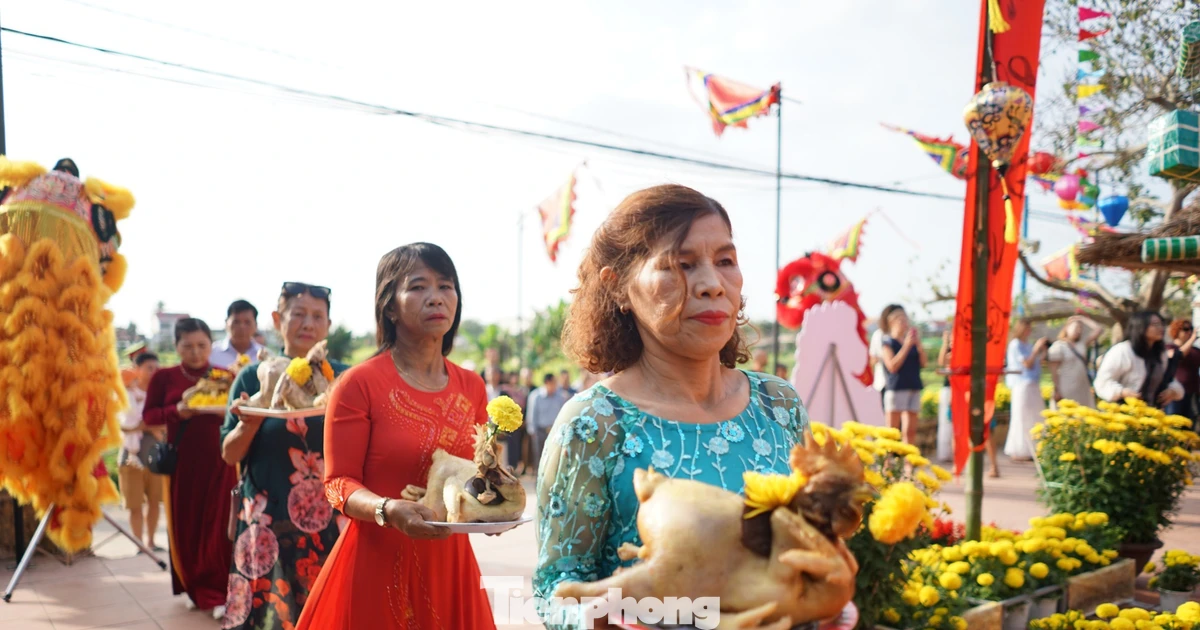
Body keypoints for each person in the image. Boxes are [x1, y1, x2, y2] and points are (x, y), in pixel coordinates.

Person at [534, 185, 854, 629]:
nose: (710, 284)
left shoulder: (778, 404)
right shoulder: (594, 423)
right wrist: (599, 620)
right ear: (618, 287)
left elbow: (806, 544)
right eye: (681, 265)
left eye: (725, 261)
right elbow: (556, 587)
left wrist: (831, 596)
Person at [295, 243, 496, 630]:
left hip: (450, 564)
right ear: (390, 305)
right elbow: (337, 484)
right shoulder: (358, 384)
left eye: (446, 285)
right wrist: (388, 510)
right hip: (377, 559)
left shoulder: (472, 386)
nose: (436, 297)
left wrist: (493, 507)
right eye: (418, 287)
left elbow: (479, 474)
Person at [219, 283, 350, 630]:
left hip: (330, 524)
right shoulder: (253, 374)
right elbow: (229, 452)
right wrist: (250, 422)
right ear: (278, 319)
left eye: (317, 316)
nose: (308, 323)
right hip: (265, 525)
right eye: (299, 314)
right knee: (267, 617)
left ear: (328, 325)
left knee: (329, 614)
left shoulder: (343, 378)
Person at [143, 318, 237, 619]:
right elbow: (150, 416)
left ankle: (219, 591)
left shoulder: (225, 376)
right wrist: (177, 411)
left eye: (202, 346)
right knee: (186, 527)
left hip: (221, 463)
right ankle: (194, 586)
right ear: (176, 347)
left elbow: (239, 414)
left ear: (211, 345)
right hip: (183, 465)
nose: (196, 352)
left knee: (219, 529)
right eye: (187, 346)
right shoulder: (165, 378)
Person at [117, 351, 165, 552]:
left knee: (155, 501)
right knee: (134, 504)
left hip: (156, 454)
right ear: (137, 370)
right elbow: (125, 426)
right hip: (131, 454)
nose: (154, 372)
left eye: (156, 368)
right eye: (149, 368)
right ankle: (138, 544)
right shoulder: (125, 394)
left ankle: (151, 542)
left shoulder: (161, 395)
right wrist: (150, 425)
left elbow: (166, 423)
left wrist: (146, 425)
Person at [1095, 311, 1184, 408]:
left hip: (1151, 413)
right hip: (1121, 413)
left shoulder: (1160, 354)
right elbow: (1102, 382)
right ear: (1140, 326)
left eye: (1161, 324)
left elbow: (1169, 379)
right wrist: (1122, 392)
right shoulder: (1122, 350)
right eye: (1155, 324)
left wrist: (1172, 391)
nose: (1161, 328)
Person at [879, 305, 926, 445]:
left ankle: (908, 463)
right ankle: (888, 462)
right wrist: (906, 346)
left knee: (910, 430)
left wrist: (918, 346)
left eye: (906, 321)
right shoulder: (887, 342)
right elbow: (892, 366)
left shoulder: (912, 342)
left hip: (913, 386)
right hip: (896, 388)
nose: (905, 324)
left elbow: (923, 363)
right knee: (892, 431)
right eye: (901, 321)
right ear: (892, 322)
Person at [1004, 319, 1048, 462]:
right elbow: (1027, 364)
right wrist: (1036, 350)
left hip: (1032, 384)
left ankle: (1034, 448)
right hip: (1021, 384)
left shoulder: (1027, 345)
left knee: (1035, 417)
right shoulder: (1016, 345)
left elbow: (1035, 364)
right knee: (1021, 417)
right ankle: (1019, 449)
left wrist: (1042, 352)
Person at [1047, 315, 1103, 409]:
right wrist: (1057, 389)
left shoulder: (1081, 344)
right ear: (1067, 328)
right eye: (1076, 327)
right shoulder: (1059, 346)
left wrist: (1082, 319)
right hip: (1066, 386)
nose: (1078, 330)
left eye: (1080, 328)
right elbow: (1054, 371)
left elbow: (1099, 329)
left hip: (1082, 387)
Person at [526, 372, 570, 471]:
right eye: (554, 382)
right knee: (540, 458)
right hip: (540, 432)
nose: (556, 384)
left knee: (554, 458)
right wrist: (532, 432)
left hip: (555, 432)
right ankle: (538, 482)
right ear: (547, 382)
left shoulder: (561, 396)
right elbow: (531, 415)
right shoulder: (536, 396)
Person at [211, 300, 265, 370]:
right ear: (226, 323)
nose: (241, 327)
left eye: (247, 322)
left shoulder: (265, 357)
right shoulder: (212, 353)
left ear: (256, 325)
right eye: (236, 322)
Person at [1165, 318, 1200, 423]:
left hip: (1192, 393)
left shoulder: (1196, 351)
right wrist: (1192, 339)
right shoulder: (1169, 347)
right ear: (1176, 331)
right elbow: (1177, 356)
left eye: (1191, 329)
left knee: (1190, 424)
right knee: (1173, 423)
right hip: (1174, 393)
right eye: (1185, 329)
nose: (1189, 332)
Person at [869, 325, 887, 407]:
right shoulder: (878, 335)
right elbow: (873, 360)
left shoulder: (905, 334)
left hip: (901, 385)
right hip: (882, 382)